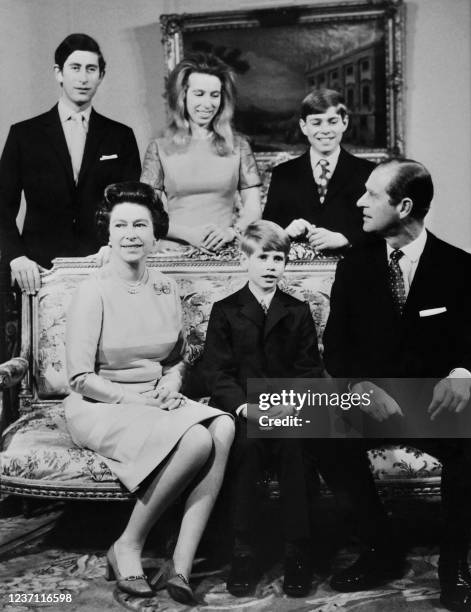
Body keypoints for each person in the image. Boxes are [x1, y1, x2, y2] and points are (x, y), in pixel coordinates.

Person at [316, 159, 471, 611]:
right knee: (302, 416)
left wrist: (462, 376)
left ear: (404, 206)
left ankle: (453, 564)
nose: (359, 202)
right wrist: (358, 385)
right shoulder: (354, 266)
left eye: (372, 195)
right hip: (371, 401)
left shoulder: (466, 270)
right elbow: (336, 348)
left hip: (436, 405)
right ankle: (382, 547)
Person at [63, 182, 234, 604]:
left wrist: (172, 383)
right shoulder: (92, 290)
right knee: (196, 437)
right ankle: (129, 543)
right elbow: (79, 377)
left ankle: (181, 563)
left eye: (140, 224)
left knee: (225, 426)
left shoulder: (165, 286)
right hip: (100, 405)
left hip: (155, 398)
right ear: (108, 233)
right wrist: (135, 399)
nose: (131, 234)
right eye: (121, 225)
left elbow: (177, 357)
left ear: (156, 233)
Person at [202, 220, 323, 597]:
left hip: (287, 409)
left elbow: (309, 370)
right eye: (263, 257)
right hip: (246, 412)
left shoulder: (297, 310)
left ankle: (296, 551)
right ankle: (243, 550)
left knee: (294, 448)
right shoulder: (226, 310)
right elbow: (217, 371)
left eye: (279, 258)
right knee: (248, 449)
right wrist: (243, 407)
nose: (271, 266)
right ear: (245, 260)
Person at [0, 33, 141, 295]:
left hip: (105, 264)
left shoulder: (120, 136)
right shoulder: (24, 134)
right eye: (75, 68)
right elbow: (1, 205)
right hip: (38, 270)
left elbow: (131, 205)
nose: (83, 77)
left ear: (101, 75)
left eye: (91, 69)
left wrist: (114, 246)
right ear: (59, 73)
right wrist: (16, 257)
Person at [141, 52, 261, 252]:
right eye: (199, 94)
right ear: (182, 96)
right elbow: (147, 213)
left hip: (225, 251)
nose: (207, 104)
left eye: (214, 95)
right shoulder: (158, 148)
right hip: (173, 254)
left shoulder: (239, 147)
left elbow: (253, 208)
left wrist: (231, 233)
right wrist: (189, 236)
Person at [263, 89, 375, 251]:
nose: (325, 130)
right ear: (304, 126)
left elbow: (383, 228)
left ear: (344, 122)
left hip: (353, 267)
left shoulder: (368, 172)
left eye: (332, 121)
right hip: (299, 271)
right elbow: (267, 230)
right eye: (316, 123)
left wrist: (346, 237)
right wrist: (285, 232)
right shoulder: (283, 173)